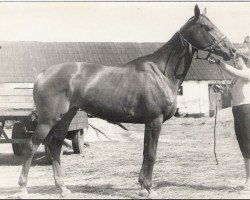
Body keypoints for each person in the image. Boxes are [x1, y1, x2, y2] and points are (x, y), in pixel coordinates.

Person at [208, 46, 250, 194]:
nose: (234, 61)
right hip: (237, 110)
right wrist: (221, 90)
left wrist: (219, 63)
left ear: (244, 59)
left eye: (236, 59)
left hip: (247, 110)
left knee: (248, 144)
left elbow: (232, 71)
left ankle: (248, 181)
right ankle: (248, 179)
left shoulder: (246, 73)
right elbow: (232, 94)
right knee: (244, 145)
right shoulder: (237, 78)